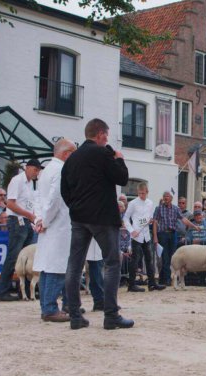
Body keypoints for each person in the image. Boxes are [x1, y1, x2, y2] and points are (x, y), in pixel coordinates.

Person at [61, 118, 133, 330]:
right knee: (111, 262)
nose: (107, 139)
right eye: (107, 135)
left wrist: (76, 207)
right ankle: (111, 315)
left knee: (74, 265)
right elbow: (122, 178)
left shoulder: (72, 159)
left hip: (79, 218)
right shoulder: (103, 153)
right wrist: (119, 159)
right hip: (102, 217)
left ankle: (75, 315)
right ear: (101, 134)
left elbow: (65, 190)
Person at [31, 139, 76, 322]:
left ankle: (47, 306)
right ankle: (50, 308)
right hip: (58, 226)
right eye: (73, 153)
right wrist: (46, 221)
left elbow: (39, 199)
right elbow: (55, 200)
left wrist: (38, 219)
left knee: (47, 268)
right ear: (66, 154)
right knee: (56, 268)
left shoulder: (46, 170)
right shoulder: (60, 170)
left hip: (48, 225)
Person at [0, 159, 41, 302]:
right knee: (14, 256)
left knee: (26, 257)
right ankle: (2, 290)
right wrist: (29, 215)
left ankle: (26, 291)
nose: (37, 172)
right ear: (27, 168)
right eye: (35, 169)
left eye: (38, 170)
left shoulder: (29, 184)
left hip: (26, 221)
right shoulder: (17, 180)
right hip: (17, 220)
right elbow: (10, 203)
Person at [124, 182, 165, 293]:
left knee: (149, 259)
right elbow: (126, 218)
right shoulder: (132, 203)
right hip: (136, 235)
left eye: (143, 193)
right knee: (135, 260)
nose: (141, 195)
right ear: (138, 192)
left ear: (147, 192)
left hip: (146, 235)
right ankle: (131, 284)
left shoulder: (150, 203)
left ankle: (152, 284)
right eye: (139, 193)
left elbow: (149, 217)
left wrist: (151, 221)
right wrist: (132, 231)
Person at [153, 191, 199, 286]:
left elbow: (184, 219)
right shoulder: (158, 208)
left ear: (171, 198)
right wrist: (155, 236)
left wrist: (194, 226)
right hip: (162, 234)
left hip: (173, 234)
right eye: (164, 196)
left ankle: (166, 279)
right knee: (164, 257)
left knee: (172, 257)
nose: (166, 198)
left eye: (168, 196)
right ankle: (166, 280)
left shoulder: (175, 209)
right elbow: (154, 222)